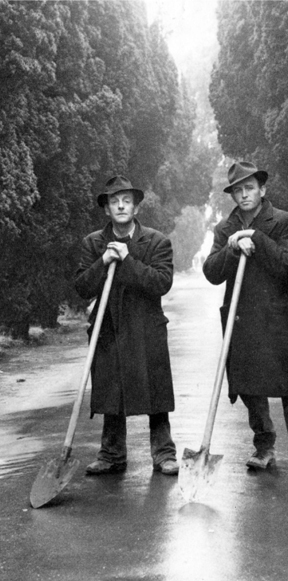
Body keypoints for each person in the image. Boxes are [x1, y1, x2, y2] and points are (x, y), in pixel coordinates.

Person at [203, 161, 288, 480]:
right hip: (241, 322)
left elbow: (287, 267)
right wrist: (233, 247)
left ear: (262, 190)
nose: (244, 194)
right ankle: (264, 447)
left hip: (275, 319)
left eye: (249, 188)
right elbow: (211, 272)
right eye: (238, 190)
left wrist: (256, 237)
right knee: (252, 389)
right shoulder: (225, 229)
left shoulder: (285, 223)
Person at [75, 175, 178, 476]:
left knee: (155, 392)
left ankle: (164, 453)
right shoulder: (93, 243)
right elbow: (82, 286)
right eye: (113, 201)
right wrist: (103, 261)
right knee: (110, 390)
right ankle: (112, 454)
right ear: (106, 209)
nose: (120, 205)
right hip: (108, 330)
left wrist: (128, 259)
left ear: (135, 207)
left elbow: (161, 283)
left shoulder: (157, 241)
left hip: (146, 328)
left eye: (126, 200)